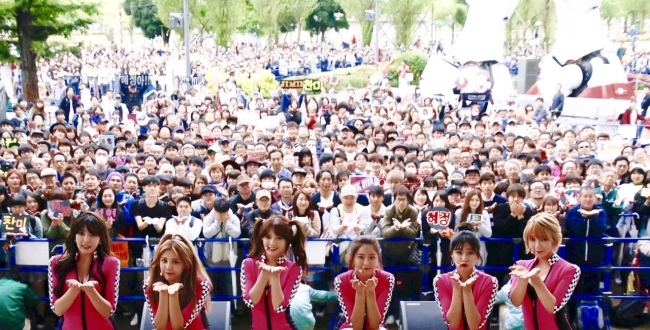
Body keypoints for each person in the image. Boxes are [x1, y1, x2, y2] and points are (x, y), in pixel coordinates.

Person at [48, 212, 120, 330]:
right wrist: (73, 290)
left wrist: (91, 291)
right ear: (74, 236)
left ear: (101, 239)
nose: (86, 240)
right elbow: (58, 310)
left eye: (93, 235)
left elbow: (108, 311)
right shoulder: (57, 262)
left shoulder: (111, 263)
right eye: (81, 233)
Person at [509, 212, 580, 329]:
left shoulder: (570, 270)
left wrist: (535, 279)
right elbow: (516, 302)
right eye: (532, 239)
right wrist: (523, 279)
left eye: (544, 239)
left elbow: (553, 307)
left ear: (554, 239)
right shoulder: (521, 265)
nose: (537, 245)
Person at [241, 214, 307, 329]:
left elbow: (279, 307)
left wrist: (274, 276)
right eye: (267, 236)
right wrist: (264, 273)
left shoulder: (294, 269)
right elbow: (250, 302)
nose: (272, 243)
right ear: (261, 238)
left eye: (279, 238)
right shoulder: (248, 264)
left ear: (288, 241)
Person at [144, 233, 212, 330]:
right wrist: (163, 292)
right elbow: (159, 326)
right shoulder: (149, 284)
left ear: (186, 264)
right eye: (164, 261)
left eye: (175, 262)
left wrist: (173, 293)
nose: (168, 267)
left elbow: (178, 327)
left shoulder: (201, 285)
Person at [433, 230, 498, 330]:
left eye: (470, 253)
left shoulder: (490, 281)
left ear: (478, 255)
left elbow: (475, 326)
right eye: (459, 252)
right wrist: (457, 288)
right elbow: (453, 324)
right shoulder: (440, 280)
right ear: (451, 254)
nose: (464, 258)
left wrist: (467, 291)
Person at [334, 235, 395, 330]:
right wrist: (360, 293)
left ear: (378, 258)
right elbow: (356, 326)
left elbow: (375, 325)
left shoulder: (387, 278)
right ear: (352, 258)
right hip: (351, 326)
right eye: (360, 257)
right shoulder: (341, 280)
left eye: (372, 257)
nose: (366, 263)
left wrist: (370, 293)